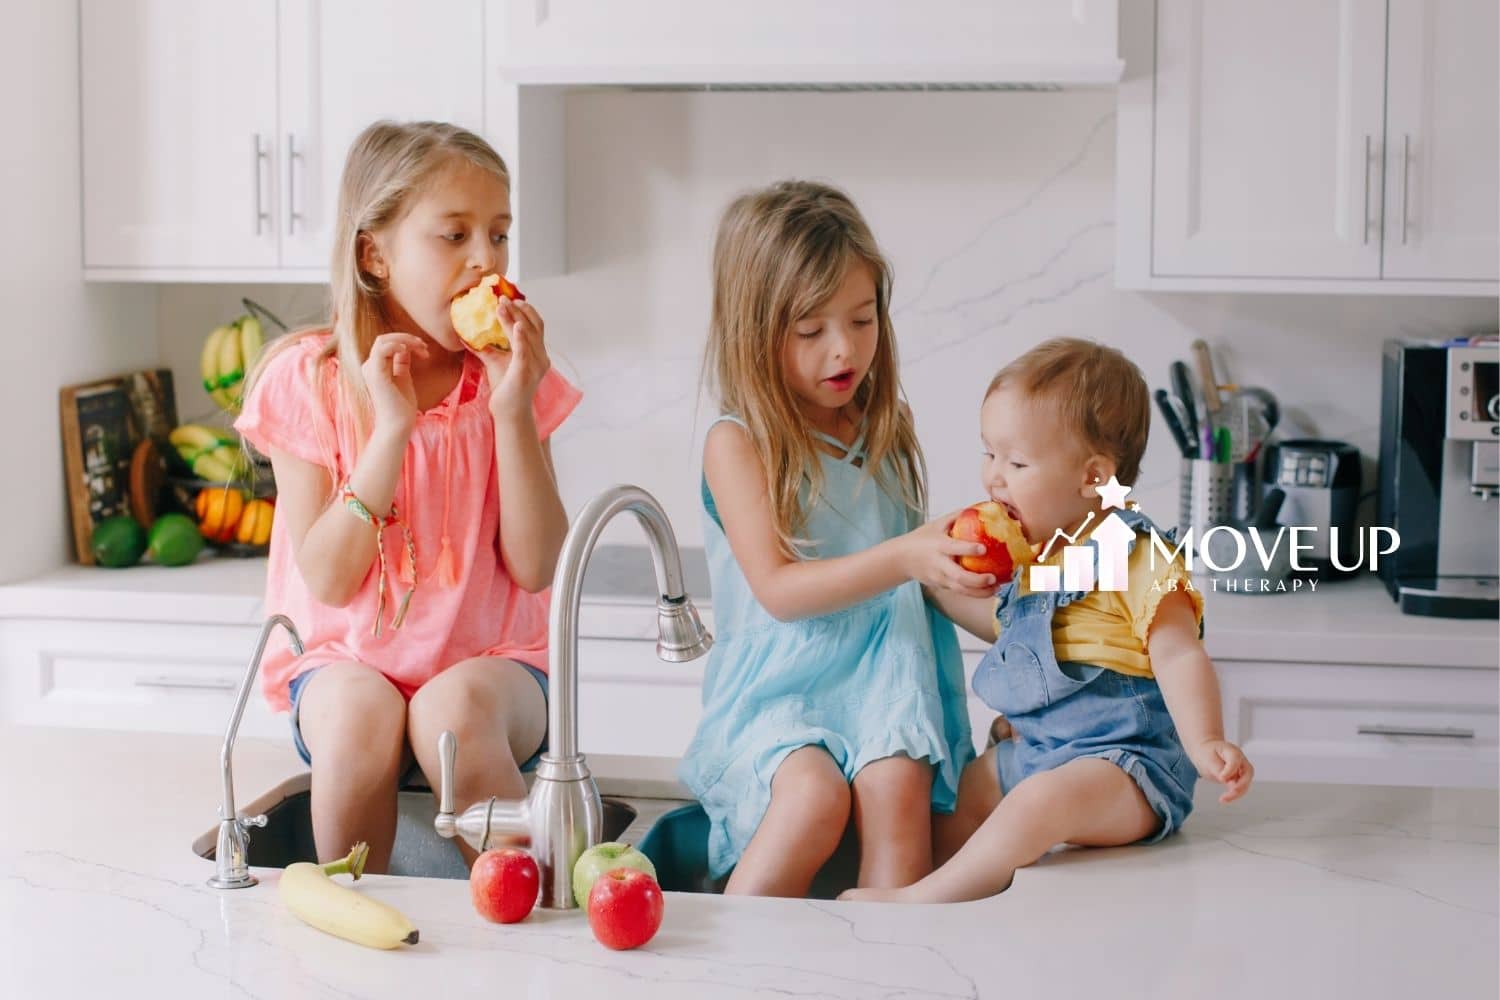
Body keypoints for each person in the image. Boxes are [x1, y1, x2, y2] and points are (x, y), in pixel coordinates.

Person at [236, 120, 581, 872]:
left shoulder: (510, 379)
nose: (485, 260)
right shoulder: (310, 379)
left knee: (450, 714)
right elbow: (327, 577)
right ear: (374, 254)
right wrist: (390, 431)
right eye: (454, 235)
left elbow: (535, 565)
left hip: (496, 664)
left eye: (499, 234)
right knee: (363, 713)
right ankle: (355, 926)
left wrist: (511, 410)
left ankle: (525, 922)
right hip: (343, 666)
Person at [842, 337, 1254, 903]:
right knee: (962, 794)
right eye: (989, 454)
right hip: (1038, 752)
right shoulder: (1038, 558)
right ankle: (916, 890)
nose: (994, 477)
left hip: (1126, 770)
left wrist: (1207, 740)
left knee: (1038, 802)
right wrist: (931, 584)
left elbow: (1179, 653)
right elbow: (1009, 630)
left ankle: (919, 901)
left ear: (1092, 478)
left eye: (1016, 462)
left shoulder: (1138, 557)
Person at [680, 180, 992, 897]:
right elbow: (780, 592)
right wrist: (907, 553)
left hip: (888, 683)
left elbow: (916, 580)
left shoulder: (883, 428)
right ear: (754, 334)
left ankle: (882, 970)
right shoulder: (739, 444)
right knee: (813, 799)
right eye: (811, 330)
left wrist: (994, 605)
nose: (844, 349)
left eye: (861, 319)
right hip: (780, 695)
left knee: (899, 798)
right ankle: (734, 970)